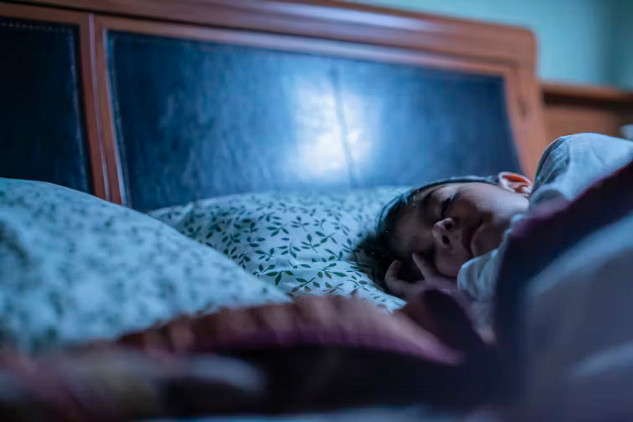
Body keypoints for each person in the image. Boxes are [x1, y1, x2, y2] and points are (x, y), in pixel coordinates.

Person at [369, 133, 633, 323]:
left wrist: (463, 283)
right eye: (427, 257)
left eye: (443, 205)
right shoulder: (516, 298)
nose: (441, 232)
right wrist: (443, 303)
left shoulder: (571, 153)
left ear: (516, 185)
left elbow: (542, 246)